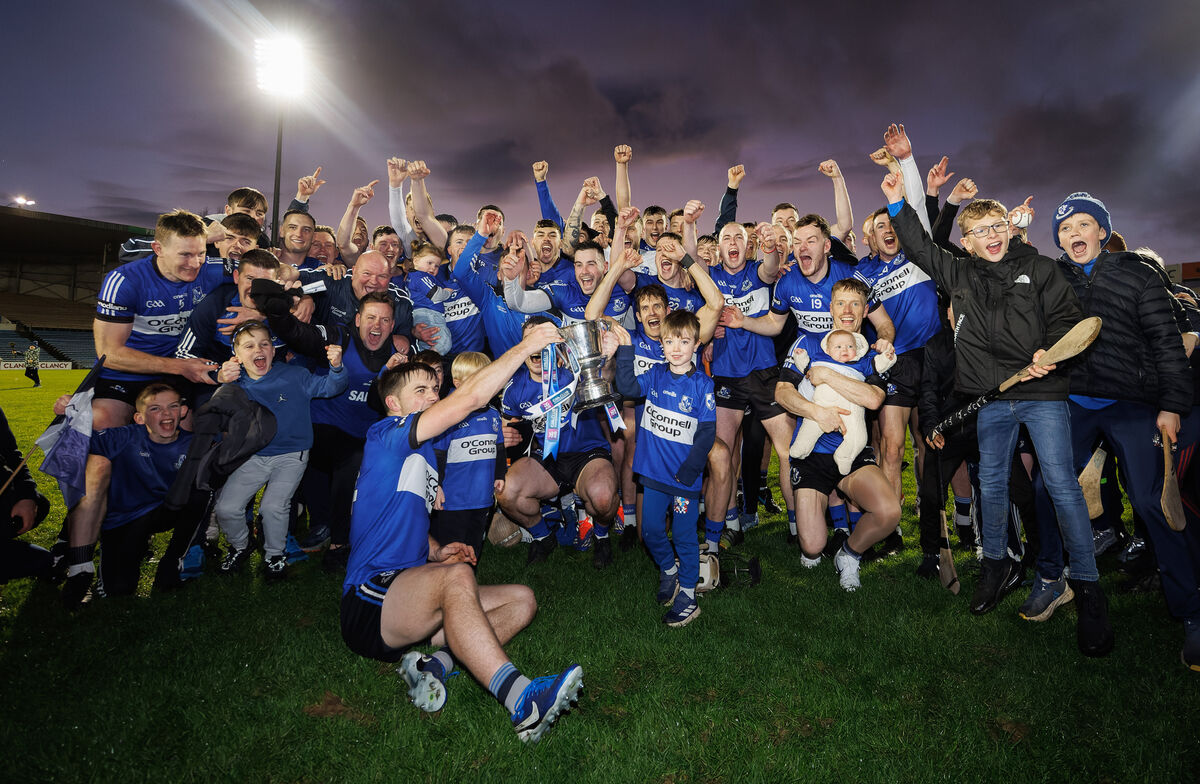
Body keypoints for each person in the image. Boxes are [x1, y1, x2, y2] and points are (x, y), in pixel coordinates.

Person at [883, 169, 1113, 657]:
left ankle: (1089, 588)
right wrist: (898, 203)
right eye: (979, 231)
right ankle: (995, 566)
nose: (990, 236)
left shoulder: (1042, 269)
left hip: (1043, 391)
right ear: (966, 243)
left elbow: (1070, 324)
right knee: (989, 480)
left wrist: (1047, 356)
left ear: (1009, 230)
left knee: (1059, 483)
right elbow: (921, 248)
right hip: (988, 398)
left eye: (997, 227)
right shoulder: (960, 272)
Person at [342, 322, 583, 743]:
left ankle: (433, 666)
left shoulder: (418, 457)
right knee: (459, 577)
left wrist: (435, 551)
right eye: (422, 390)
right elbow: (470, 396)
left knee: (522, 601)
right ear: (393, 403)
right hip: (370, 600)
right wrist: (527, 344)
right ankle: (523, 700)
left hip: (408, 592)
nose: (434, 397)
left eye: (434, 390)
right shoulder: (386, 436)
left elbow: (396, 517)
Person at [1049, 193, 1199, 669]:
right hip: (1076, 402)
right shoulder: (1055, 279)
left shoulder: (1138, 273)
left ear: (1102, 232)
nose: (1075, 233)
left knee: (1153, 501)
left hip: (1131, 404)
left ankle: (1191, 612)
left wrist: (1172, 405)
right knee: (1045, 486)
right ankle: (1053, 581)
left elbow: (1167, 344)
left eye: (1085, 224)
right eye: (1066, 227)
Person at [773, 280, 901, 592]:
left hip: (852, 450)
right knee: (813, 546)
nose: (847, 311)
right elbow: (782, 392)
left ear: (865, 310)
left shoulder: (872, 352)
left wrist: (827, 374)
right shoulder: (807, 342)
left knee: (889, 512)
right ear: (830, 308)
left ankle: (849, 554)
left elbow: (873, 399)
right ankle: (820, 540)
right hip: (813, 453)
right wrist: (817, 413)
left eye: (855, 304)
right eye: (840, 303)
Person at [213, 321, 347, 580]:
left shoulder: (294, 376)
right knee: (227, 508)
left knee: (273, 506)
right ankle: (240, 545)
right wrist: (218, 378)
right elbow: (216, 413)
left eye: (265, 344)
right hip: (253, 455)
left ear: (273, 350)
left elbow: (331, 387)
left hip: (290, 453)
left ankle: (275, 555)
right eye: (249, 346)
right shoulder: (235, 385)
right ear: (237, 356)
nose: (258, 350)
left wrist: (337, 367)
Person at [59, 384, 209, 607]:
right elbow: (72, 448)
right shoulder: (121, 438)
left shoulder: (193, 444)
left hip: (162, 511)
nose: (166, 414)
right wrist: (68, 417)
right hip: (122, 518)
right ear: (139, 418)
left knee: (203, 490)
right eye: (155, 408)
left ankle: (172, 563)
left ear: (183, 411)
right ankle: (90, 565)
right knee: (118, 590)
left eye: (173, 406)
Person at [613, 312, 716, 627]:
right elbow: (627, 387)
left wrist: (690, 471)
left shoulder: (703, 385)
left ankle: (688, 594)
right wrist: (625, 348)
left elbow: (707, 434)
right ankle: (669, 570)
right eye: (669, 341)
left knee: (684, 535)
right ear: (662, 344)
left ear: (696, 344)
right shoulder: (656, 375)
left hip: (683, 479)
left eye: (683, 342)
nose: (676, 348)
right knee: (650, 531)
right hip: (654, 476)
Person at [497, 317, 621, 569]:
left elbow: (604, 377)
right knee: (507, 493)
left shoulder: (574, 372)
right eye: (531, 341)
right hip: (548, 459)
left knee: (603, 499)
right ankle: (543, 537)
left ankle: (601, 535)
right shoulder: (515, 387)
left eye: (543, 341)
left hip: (587, 456)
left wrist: (608, 358)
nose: (537, 349)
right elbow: (504, 423)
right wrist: (499, 431)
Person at [93, 209, 228, 430]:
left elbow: (263, 272)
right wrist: (181, 367)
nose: (195, 264)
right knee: (101, 421)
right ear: (158, 249)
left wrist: (298, 297)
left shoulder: (212, 269)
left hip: (177, 375)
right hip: (125, 374)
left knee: (192, 430)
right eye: (185, 255)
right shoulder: (124, 280)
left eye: (201, 253)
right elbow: (109, 354)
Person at [430, 352, 506, 561]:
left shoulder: (492, 414)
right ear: (457, 382)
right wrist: (435, 486)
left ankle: (467, 582)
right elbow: (438, 454)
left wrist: (500, 474)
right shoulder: (448, 413)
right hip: (453, 502)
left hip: (482, 498)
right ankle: (446, 586)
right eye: (477, 382)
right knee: (451, 550)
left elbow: (499, 447)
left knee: (473, 548)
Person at [788, 328, 896, 474]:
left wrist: (887, 358)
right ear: (828, 349)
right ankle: (800, 448)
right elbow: (807, 367)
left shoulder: (861, 363)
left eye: (850, 346)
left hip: (852, 409)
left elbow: (878, 365)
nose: (844, 350)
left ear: (857, 349)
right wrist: (800, 357)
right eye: (838, 347)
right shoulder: (820, 359)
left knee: (859, 437)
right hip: (823, 405)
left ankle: (844, 456)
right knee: (810, 426)